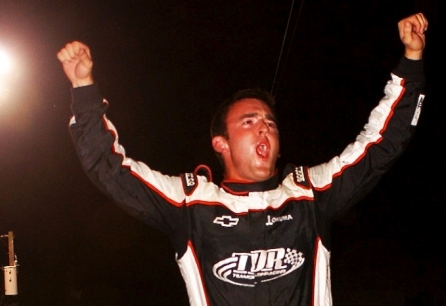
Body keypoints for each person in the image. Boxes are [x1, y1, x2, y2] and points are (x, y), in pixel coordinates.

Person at [57, 12, 428, 306]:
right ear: (221, 143)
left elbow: (382, 145)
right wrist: (84, 89)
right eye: (249, 122)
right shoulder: (189, 202)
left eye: (270, 123)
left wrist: (411, 62)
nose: (264, 128)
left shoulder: (310, 192)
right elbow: (107, 167)